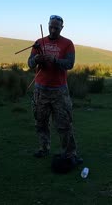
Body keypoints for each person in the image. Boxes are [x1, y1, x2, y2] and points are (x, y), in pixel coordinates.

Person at [28, 15, 83, 166]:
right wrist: (37, 60)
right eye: (51, 27)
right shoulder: (39, 43)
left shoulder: (68, 44)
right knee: (41, 122)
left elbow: (70, 64)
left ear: (61, 28)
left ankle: (70, 153)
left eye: (56, 28)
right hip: (41, 90)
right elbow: (30, 63)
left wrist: (54, 60)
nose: (53, 30)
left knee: (64, 124)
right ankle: (44, 148)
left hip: (59, 91)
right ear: (48, 25)